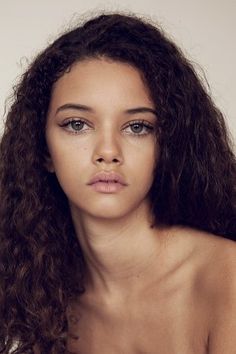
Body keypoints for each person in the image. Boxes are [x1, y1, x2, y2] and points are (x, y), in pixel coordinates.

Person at [0, 11, 236, 354]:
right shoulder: (43, 303)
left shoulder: (227, 280)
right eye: (77, 124)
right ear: (42, 149)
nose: (108, 152)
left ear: (166, 145)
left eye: (137, 127)